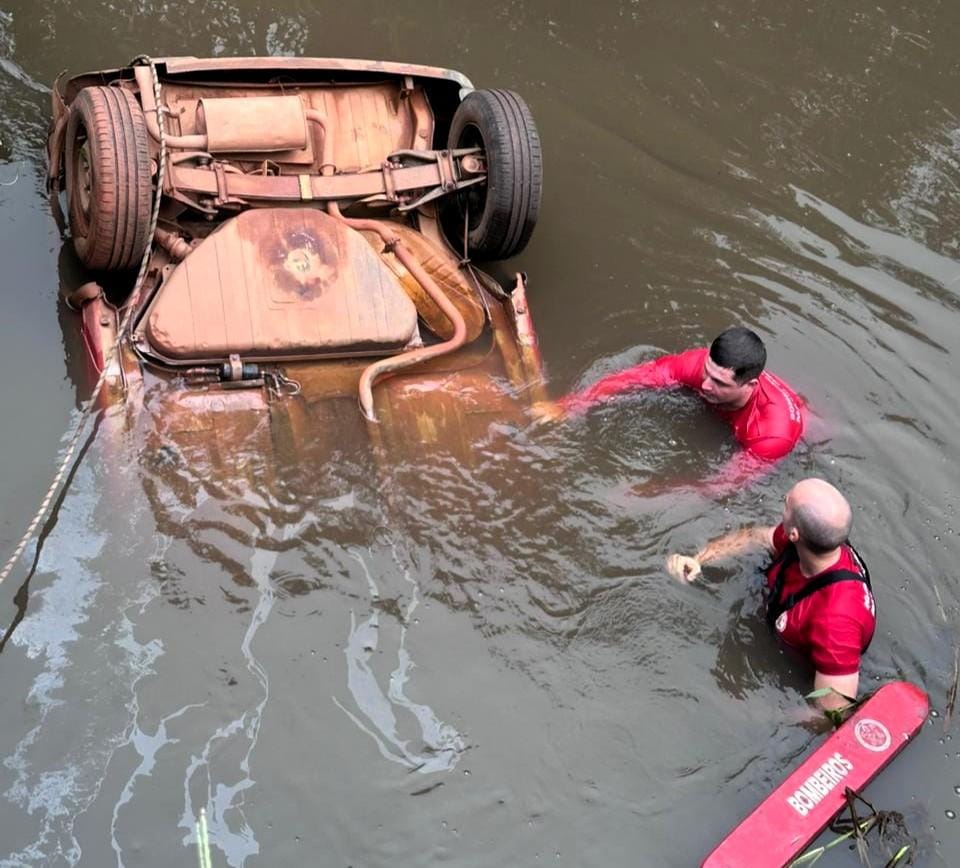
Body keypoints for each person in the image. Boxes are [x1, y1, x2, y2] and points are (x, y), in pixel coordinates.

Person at [666, 478, 876, 710]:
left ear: (796, 533)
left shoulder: (836, 621)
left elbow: (832, 710)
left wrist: (763, 716)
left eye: (786, 504)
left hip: (797, 665)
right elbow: (757, 537)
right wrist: (699, 559)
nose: (782, 506)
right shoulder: (803, 540)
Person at [532, 327, 805, 492]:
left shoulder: (772, 434)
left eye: (719, 382)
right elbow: (639, 376)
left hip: (798, 437)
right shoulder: (699, 366)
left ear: (750, 385)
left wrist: (647, 493)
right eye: (706, 373)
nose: (705, 384)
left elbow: (719, 485)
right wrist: (569, 406)